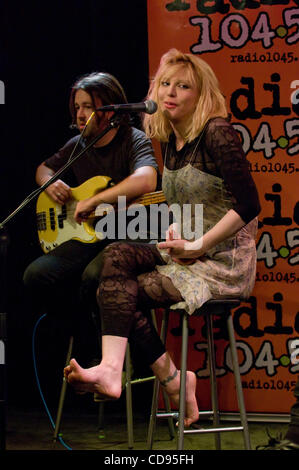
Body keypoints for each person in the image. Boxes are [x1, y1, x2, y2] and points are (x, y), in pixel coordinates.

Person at [64, 49, 261, 426]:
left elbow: (249, 204)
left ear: (200, 94)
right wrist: (176, 230)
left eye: (183, 86)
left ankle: (172, 379)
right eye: (165, 83)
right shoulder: (172, 138)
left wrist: (198, 244)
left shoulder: (217, 132)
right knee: (116, 259)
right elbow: (192, 203)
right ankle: (114, 369)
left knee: (124, 292)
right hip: (186, 252)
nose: (170, 92)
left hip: (221, 264)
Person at [23, 72, 159, 357]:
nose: (80, 113)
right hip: (89, 235)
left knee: (93, 275)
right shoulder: (77, 145)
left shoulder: (133, 140)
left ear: (110, 110)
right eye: (77, 106)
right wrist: (50, 183)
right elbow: (42, 169)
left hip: (126, 231)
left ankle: (110, 354)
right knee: (36, 275)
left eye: (88, 106)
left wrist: (96, 199)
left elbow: (147, 180)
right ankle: (87, 336)